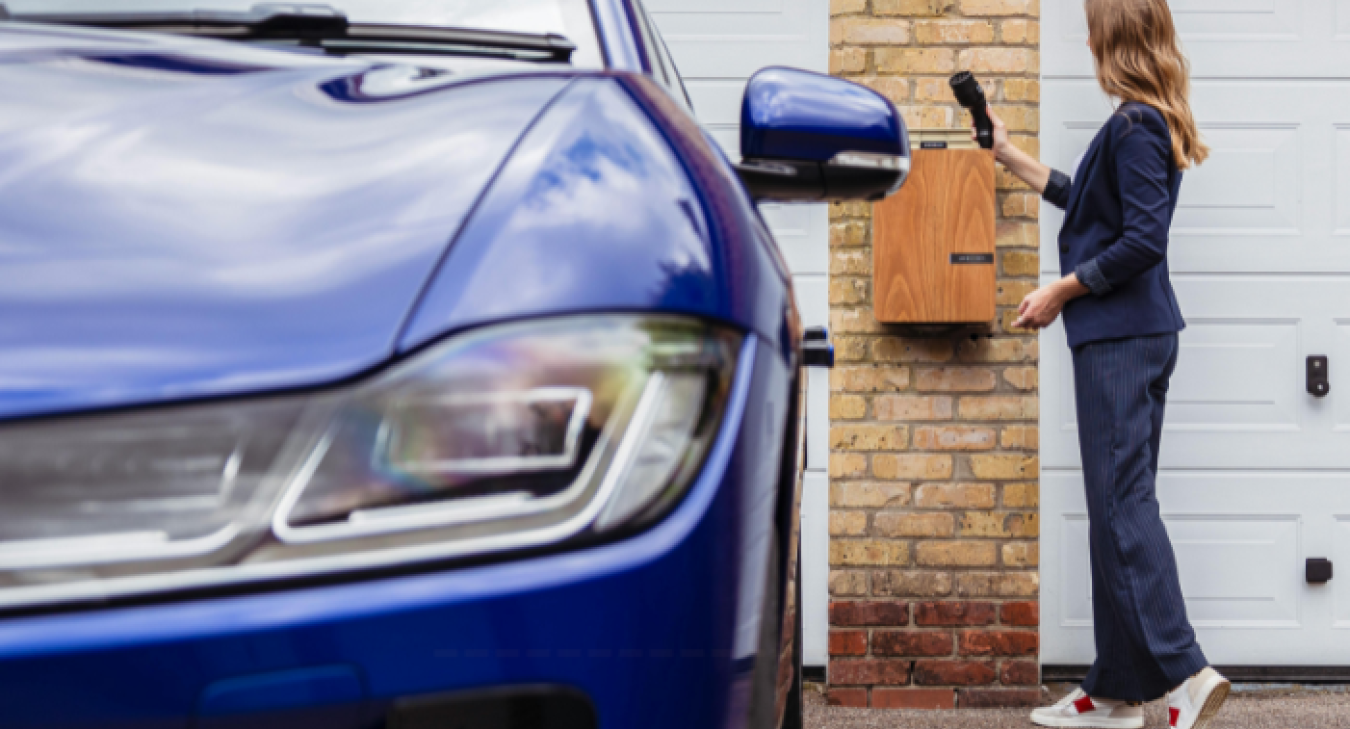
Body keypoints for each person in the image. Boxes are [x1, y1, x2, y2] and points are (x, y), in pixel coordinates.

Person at [976, 1, 1229, 728]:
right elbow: (1087, 203)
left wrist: (1062, 290)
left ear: (1110, 38)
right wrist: (1008, 153)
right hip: (1131, 335)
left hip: (1123, 338)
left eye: (1091, 25)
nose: (1084, 37)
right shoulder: (1141, 122)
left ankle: (1185, 672)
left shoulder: (1136, 125)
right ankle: (1116, 690)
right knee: (1113, 508)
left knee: (1122, 506)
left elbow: (1144, 240)